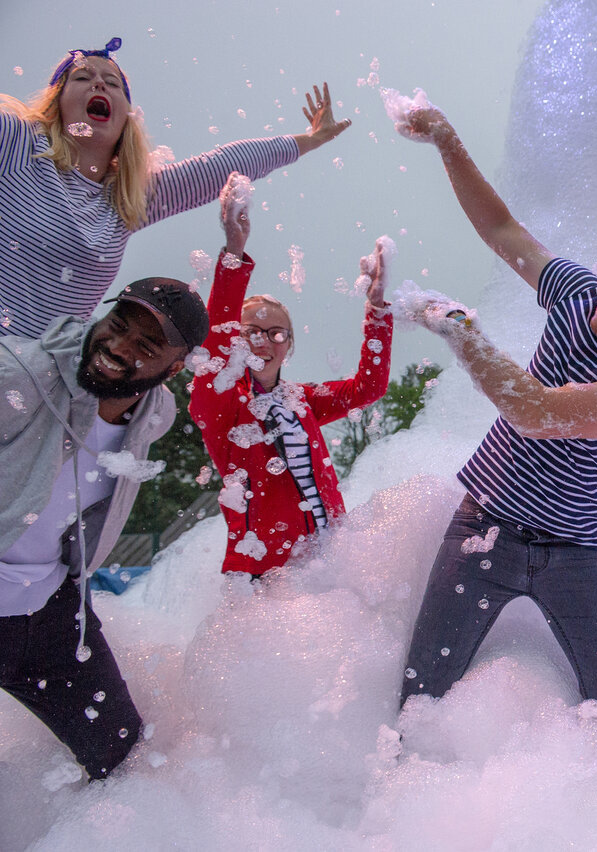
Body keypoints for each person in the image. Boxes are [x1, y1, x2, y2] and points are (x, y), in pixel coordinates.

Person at [390, 99, 597, 781]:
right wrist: (446, 139)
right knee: (417, 706)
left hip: (576, 553)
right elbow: (502, 228)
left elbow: (535, 412)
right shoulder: (578, 293)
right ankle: (395, 807)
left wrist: (462, 332)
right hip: (484, 528)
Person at [0, 37, 351, 339]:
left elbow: (221, 165)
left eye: (112, 83)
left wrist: (311, 139)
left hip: (41, 379)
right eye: (82, 77)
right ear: (57, 102)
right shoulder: (18, 144)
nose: (99, 84)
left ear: (127, 118)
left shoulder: (127, 200)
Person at [0, 273, 208, 780]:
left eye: (146, 345)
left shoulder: (156, 413)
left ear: (173, 368)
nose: (118, 346)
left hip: (50, 613)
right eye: (118, 324)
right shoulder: (19, 375)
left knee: (124, 762)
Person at [188, 176, 393, 576]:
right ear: (236, 339)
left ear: (289, 344)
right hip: (262, 581)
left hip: (327, 568)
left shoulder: (301, 400)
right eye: (252, 331)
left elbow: (369, 388)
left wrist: (378, 310)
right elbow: (214, 350)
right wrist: (234, 252)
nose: (264, 342)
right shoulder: (222, 402)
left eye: (276, 333)